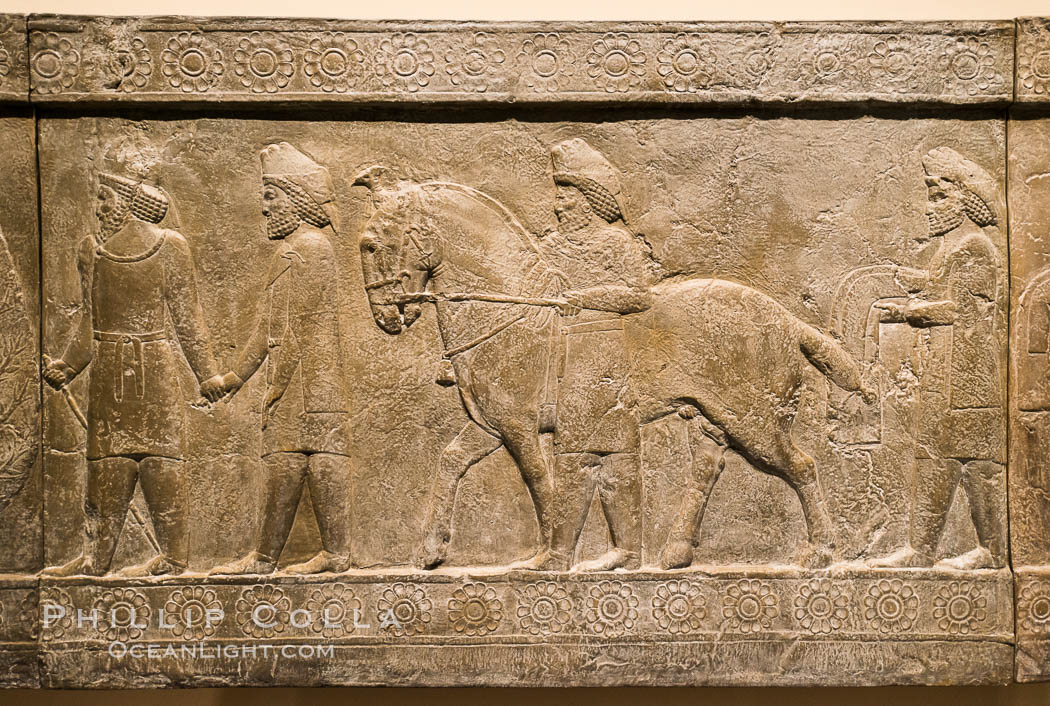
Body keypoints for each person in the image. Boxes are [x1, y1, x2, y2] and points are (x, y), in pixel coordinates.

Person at [43, 169, 224, 577]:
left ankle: (175, 559)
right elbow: (90, 326)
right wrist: (67, 368)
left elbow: (188, 320)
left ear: (126, 202)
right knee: (106, 462)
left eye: (105, 198)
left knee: (162, 461)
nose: (99, 208)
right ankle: (95, 560)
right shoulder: (92, 250)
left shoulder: (170, 248)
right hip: (108, 369)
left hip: (155, 366)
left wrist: (207, 375)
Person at [211, 143, 353, 576]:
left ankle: (335, 553)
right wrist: (235, 377)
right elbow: (269, 328)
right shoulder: (296, 249)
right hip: (301, 377)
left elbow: (297, 327)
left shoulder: (310, 249)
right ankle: (268, 557)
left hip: (310, 377)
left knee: (316, 454)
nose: (264, 207)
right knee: (289, 458)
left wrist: (273, 386)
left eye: (271, 196)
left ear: (296, 198)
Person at [871, 147, 1006, 570]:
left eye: (939, 197)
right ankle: (922, 549)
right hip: (944, 371)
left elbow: (964, 311)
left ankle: (992, 550)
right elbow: (940, 285)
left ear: (966, 201)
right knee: (933, 456)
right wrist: (912, 281)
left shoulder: (976, 248)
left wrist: (909, 311)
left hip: (970, 375)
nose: (929, 208)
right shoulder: (951, 250)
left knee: (977, 461)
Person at [535, 138, 652, 572]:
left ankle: (628, 550)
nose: (558, 206)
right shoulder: (548, 247)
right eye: (558, 196)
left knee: (612, 452)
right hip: (557, 354)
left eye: (566, 196)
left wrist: (584, 297)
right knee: (568, 454)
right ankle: (560, 553)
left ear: (587, 199)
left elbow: (639, 296)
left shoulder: (616, 243)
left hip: (601, 350)